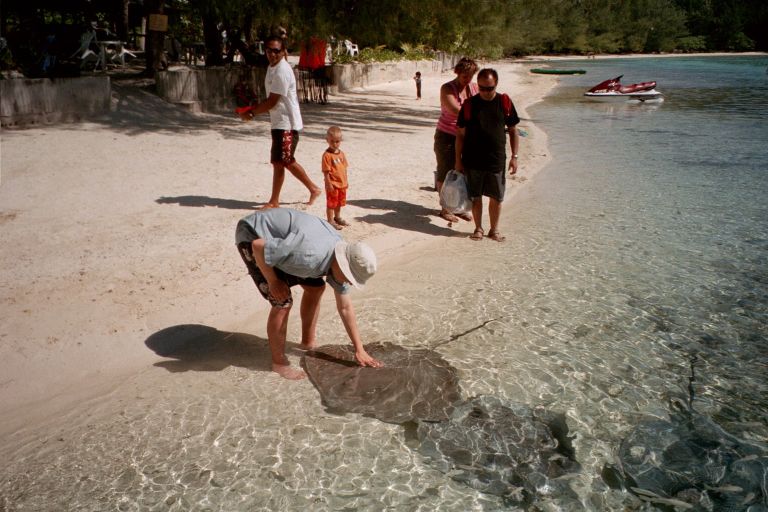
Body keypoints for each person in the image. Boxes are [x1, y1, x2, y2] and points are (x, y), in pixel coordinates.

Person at [236, 208, 382, 380]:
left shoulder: (337, 255)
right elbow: (258, 246)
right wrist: (273, 281)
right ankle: (279, 362)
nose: (350, 282)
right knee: (282, 301)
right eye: (351, 277)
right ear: (342, 264)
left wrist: (359, 349)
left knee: (316, 288)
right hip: (252, 233)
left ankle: (307, 342)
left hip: (287, 243)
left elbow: (345, 307)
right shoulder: (308, 255)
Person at [239, 36, 322, 209]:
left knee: (283, 161)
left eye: (276, 50)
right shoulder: (272, 67)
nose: (272, 54)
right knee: (282, 161)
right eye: (269, 50)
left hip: (287, 123)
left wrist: (252, 113)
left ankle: (277, 200)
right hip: (278, 122)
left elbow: (272, 101)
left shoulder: (282, 70)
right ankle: (311, 189)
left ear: (284, 51)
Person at [455, 68, 520, 243]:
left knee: (497, 197)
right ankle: (478, 228)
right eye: (482, 88)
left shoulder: (504, 102)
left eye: (489, 88)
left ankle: (494, 230)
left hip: (496, 159)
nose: (485, 92)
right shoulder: (469, 105)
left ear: (496, 84)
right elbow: (460, 135)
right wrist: (457, 161)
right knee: (476, 197)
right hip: (472, 160)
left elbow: (514, 131)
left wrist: (515, 156)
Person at [434, 57, 479, 223]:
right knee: (445, 170)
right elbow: (455, 110)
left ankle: (458, 206)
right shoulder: (447, 88)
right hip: (447, 135)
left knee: (464, 171)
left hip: (467, 136)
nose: (467, 80)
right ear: (457, 73)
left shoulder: (473, 88)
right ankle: (445, 208)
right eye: (464, 76)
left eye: (470, 76)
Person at [322, 126, 351, 230]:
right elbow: (326, 171)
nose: (335, 144)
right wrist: (328, 183)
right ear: (327, 140)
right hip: (333, 184)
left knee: (339, 202)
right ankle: (330, 220)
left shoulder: (341, 154)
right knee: (331, 203)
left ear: (341, 140)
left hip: (342, 183)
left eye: (337, 141)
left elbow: (344, 168)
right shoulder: (327, 155)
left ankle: (337, 217)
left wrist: (346, 181)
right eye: (332, 141)